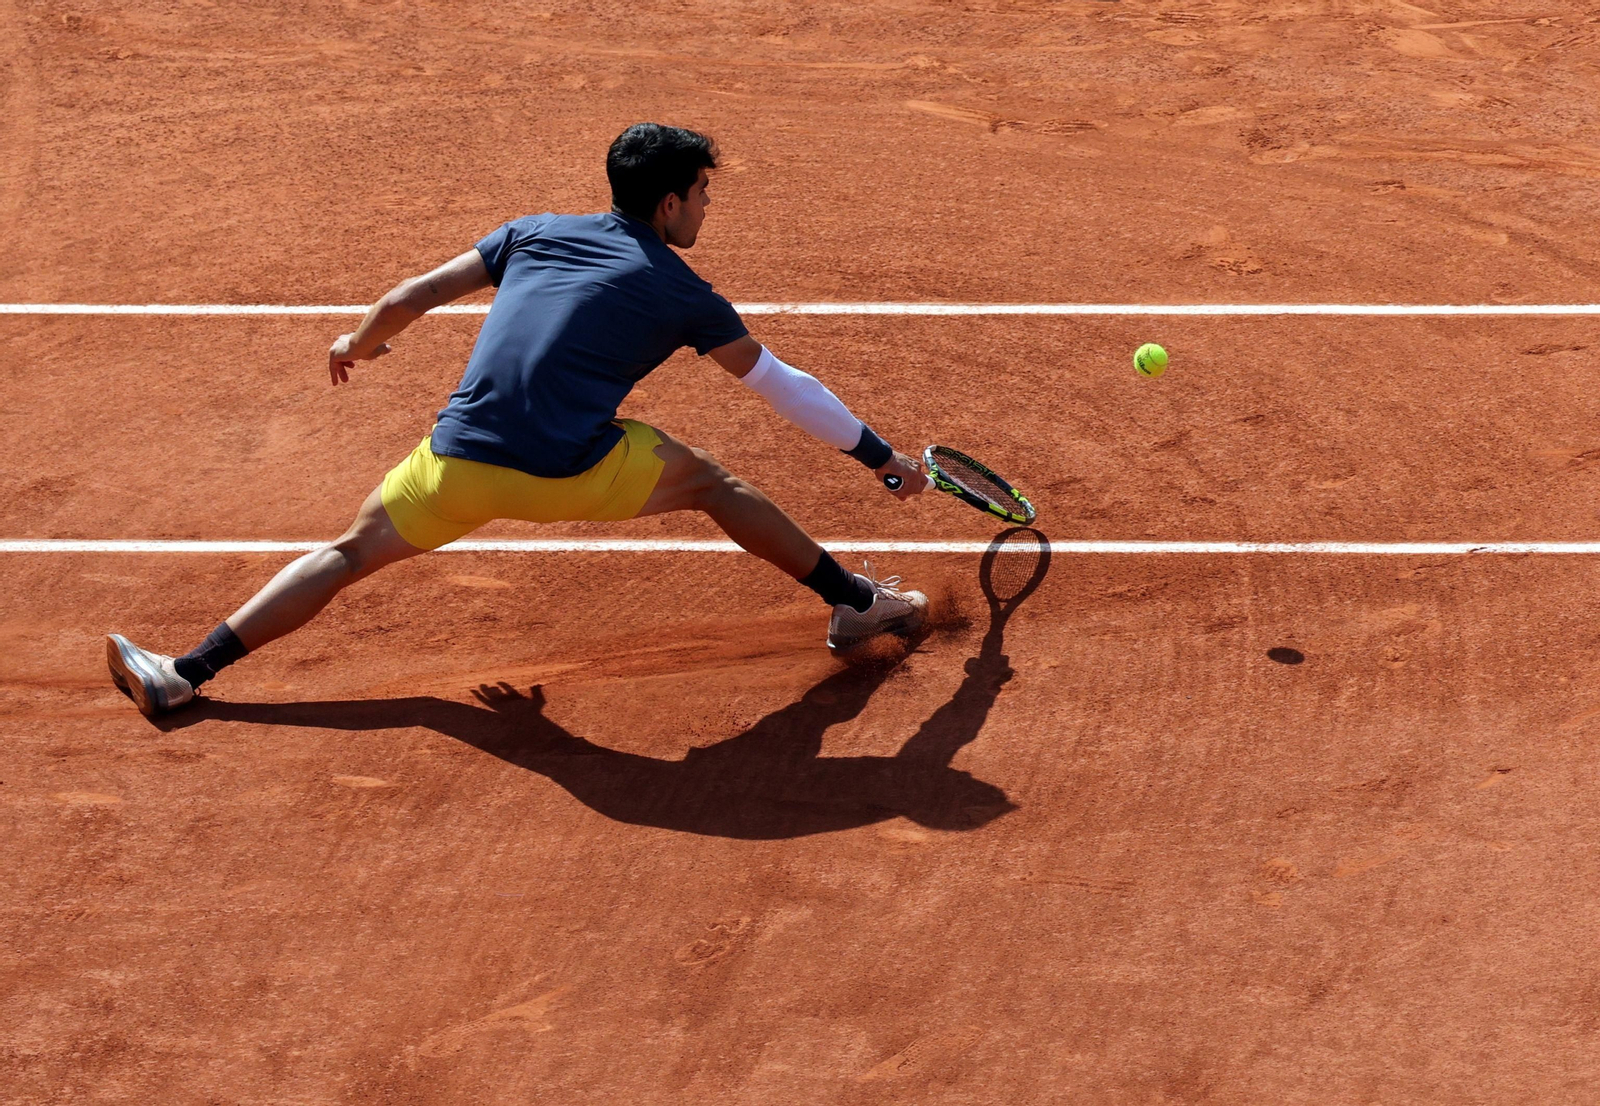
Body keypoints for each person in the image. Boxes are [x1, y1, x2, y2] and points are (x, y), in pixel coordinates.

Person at [107, 123, 929, 720]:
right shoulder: (685, 293)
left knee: (347, 553)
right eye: (705, 195)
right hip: (571, 472)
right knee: (715, 483)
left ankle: (185, 671)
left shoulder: (531, 233)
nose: (707, 210)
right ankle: (853, 601)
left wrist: (357, 343)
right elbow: (781, 386)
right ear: (670, 201)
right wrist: (880, 458)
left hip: (456, 465)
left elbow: (409, 298)